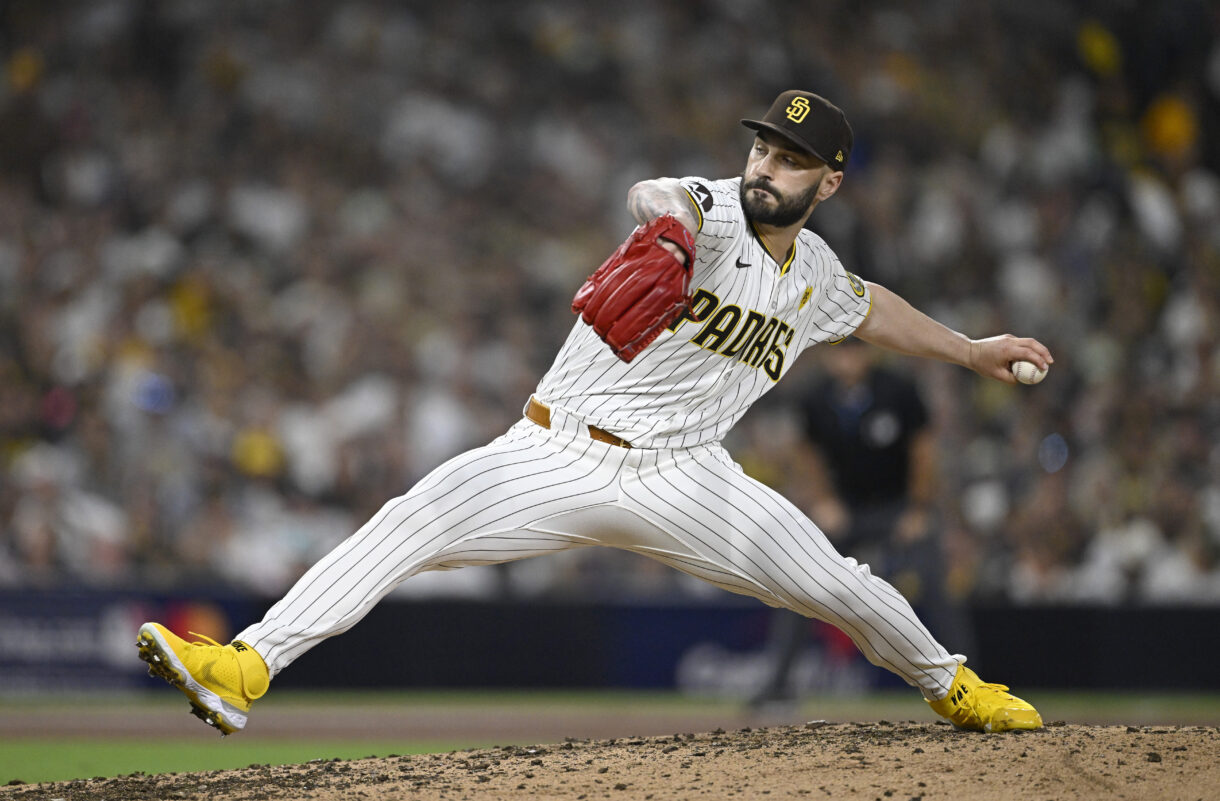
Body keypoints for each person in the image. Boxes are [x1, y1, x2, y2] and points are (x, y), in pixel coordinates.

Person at [137, 90, 1052, 735]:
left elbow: (872, 306)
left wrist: (972, 350)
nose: (768, 166)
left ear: (830, 183)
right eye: (764, 148)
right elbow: (655, 195)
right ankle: (245, 667)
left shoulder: (812, 272)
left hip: (687, 474)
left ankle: (954, 686)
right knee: (408, 520)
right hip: (556, 450)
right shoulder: (711, 208)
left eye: (793, 159)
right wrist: (679, 232)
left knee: (840, 583)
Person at [749, 339, 971, 707]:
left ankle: (969, 680)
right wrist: (823, 501)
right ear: (828, 356)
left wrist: (917, 508)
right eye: (839, 352)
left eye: (853, 351)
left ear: (869, 352)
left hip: (896, 506)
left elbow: (923, 451)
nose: (846, 360)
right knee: (799, 581)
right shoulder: (815, 397)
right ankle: (778, 685)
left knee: (935, 586)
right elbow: (808, 454)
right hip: (845, 509)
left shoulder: (897, 389)